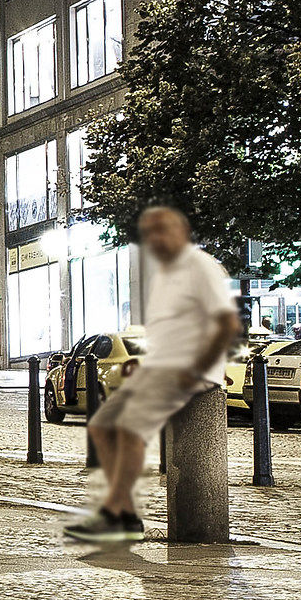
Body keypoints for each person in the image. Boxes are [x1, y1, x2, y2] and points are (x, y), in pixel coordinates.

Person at [67, 205, 240, 543]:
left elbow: (225, 324)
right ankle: (121, 512)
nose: (154, 240)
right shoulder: (169, 272)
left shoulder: (200, 266)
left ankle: (120, 515)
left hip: (190, 371)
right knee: (106, 425)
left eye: (160, 232)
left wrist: (197, 371)